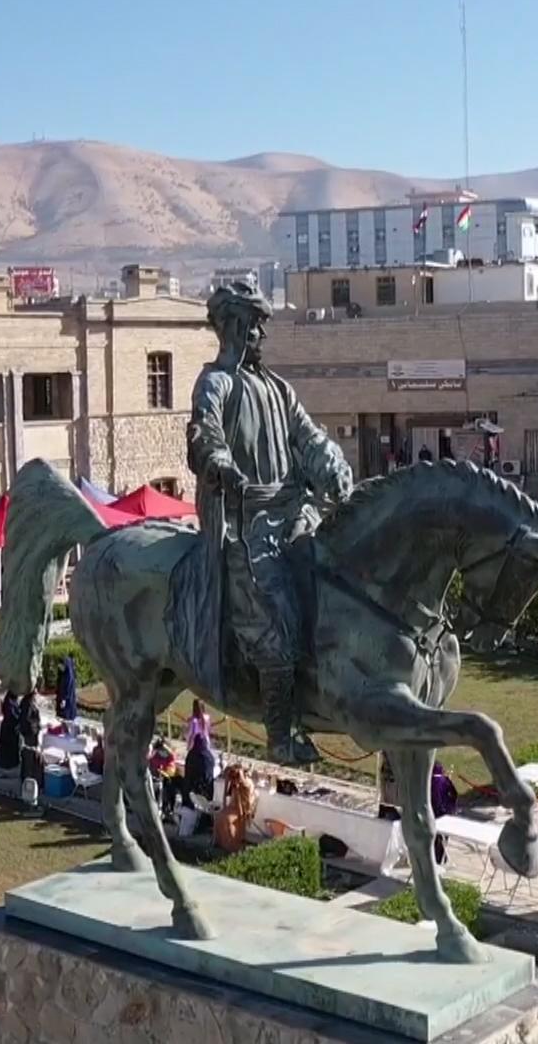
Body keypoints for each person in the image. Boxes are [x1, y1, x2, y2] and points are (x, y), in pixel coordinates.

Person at [186, 281, 353, 765]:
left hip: (296, 513)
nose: (262, 332)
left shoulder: (278, 388)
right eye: (254, 323)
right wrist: (218, 462)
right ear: (235, 327)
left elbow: (310, 437)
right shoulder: (215, 383)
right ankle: (280, 732)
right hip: (246, 523)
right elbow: (204, 431)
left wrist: (335, 469)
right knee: (273, 616)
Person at [55, 653, 79, 722]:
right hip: (62, 696)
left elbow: (67, 687)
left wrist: (64, 699)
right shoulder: (64, 673)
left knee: (66, 713)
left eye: (61, 666)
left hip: (67, 698)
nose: (60, 668)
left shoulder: (68, 676)